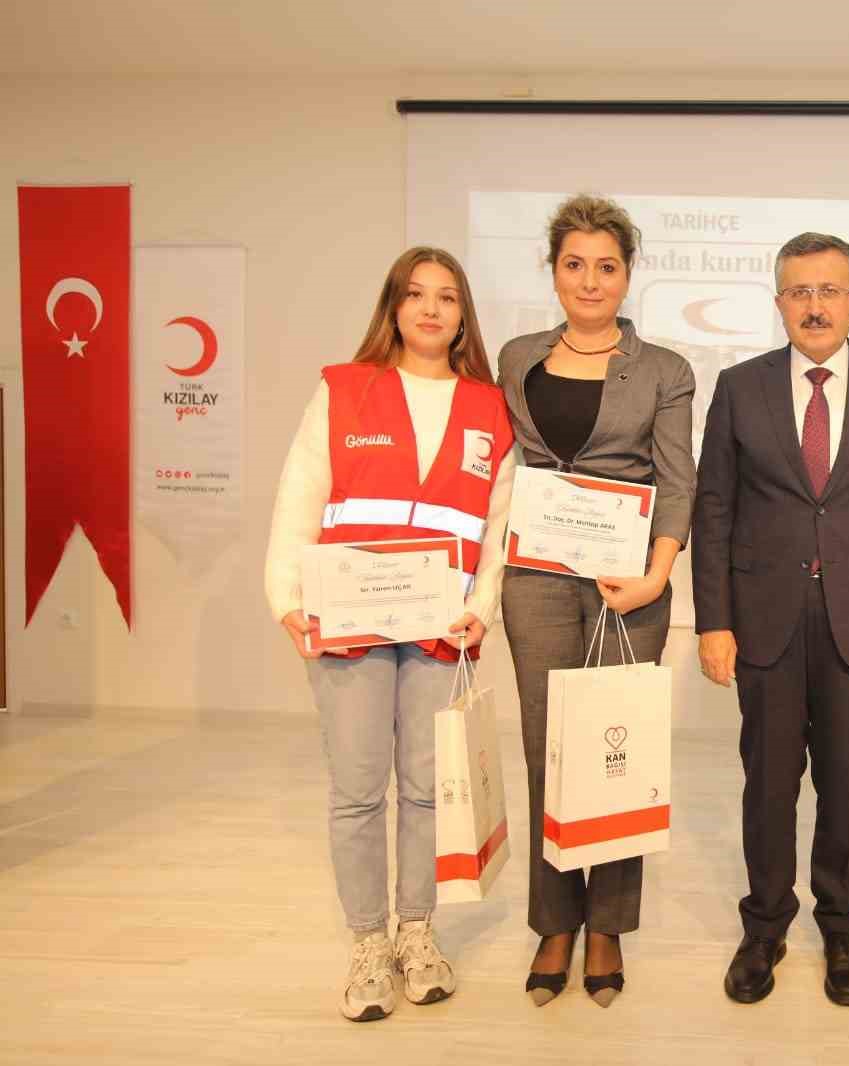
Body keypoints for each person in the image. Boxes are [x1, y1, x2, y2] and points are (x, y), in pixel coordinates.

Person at [264, 247, 515, 1021]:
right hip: (349, 622)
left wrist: (486, 602)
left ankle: (416, 931)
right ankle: (368, 942)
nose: (431, 309)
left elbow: (498, 524)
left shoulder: (489, 406)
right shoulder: (346, 389)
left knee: (424, 789)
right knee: (356, 790)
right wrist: (286, 599)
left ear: (464, 314)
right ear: (393, 307)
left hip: (442, 625)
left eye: (446, 297)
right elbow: (299, 493)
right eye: (416, 295)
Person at [693, 232, 849, 1007]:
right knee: (767, 784)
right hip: (763, 620)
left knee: (846, 784)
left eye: (830, 290)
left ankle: (841, 927)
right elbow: (715, 508)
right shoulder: (739, 386)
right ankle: (764, 924)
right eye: (799, 291)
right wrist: (712, 620)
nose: (815, 305)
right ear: (779, 304)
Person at [497, 194, 696, 1008]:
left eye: (606, 266)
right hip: (536, 577)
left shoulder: (665, 369)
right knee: (548, 747)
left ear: (627, 276)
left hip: (629, 582)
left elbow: (679, 479)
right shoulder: (515, 357)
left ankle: (608, 922)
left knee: (617, 749)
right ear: (554, 272)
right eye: (574, 264)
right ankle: (555, 923)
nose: (590, 279)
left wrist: (657, 576)